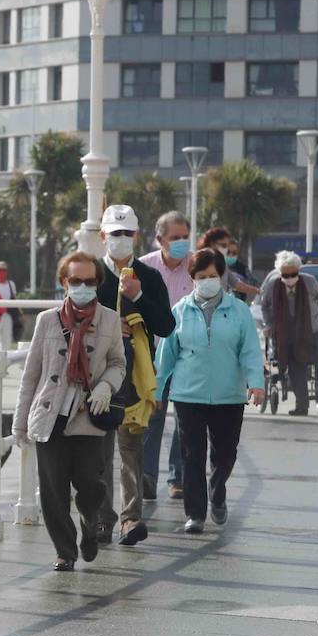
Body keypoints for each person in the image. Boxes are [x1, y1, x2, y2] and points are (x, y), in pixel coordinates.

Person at [13, 252, 126, 572]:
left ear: (98, 283)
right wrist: (19, 423)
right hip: (50, 415)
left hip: (89, 415)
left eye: (89, 281)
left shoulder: (109, 320)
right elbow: (31, 375)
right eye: (76, 281)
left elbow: (118, 363)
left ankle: (90, 523)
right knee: (53, 491)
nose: (82, 287)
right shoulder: (47, 320)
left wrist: (106, 386)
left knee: (91, 484)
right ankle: (65, 552)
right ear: (64, 282)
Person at [155, 248, 264, 534]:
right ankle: (195, 514)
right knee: (192, 455)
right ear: (192, 279)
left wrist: (256, 383)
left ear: (221, 276)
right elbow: (166, 355)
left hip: (229, 395)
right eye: (201, 276)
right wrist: (156, 389)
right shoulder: (179, 311)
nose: (207, 281)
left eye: (212, 275)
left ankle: (217, 491)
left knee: (225, 454)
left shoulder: (239, 311)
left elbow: (250, 351)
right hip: (188, 395)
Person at [95, 204, 173, 547]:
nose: (121, 239)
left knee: (131, 449)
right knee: (99, 451)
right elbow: (72, 318)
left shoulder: (149, 277)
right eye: (115, 233)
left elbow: (166, 326)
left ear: (137, 236)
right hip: (98, 376)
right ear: (103, 236)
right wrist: (111, 326)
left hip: (136, 375)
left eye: (127, 233)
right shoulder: (91, 274)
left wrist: (137, 296)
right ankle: (102, 519)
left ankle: (130, 519)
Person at [139, 211, 195, 502]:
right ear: (160, 239)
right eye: (175, 238)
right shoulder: (144, 268)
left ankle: (179, 477)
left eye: (185, 237)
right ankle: (147, 477)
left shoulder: (197, 265)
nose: (182, 242)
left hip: (189, 356)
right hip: (153, 356)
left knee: (186, 418)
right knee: (153, 415)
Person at [260, 251, 318, 416]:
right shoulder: (272, 286)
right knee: (295, 364)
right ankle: (302, 405)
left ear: (298, 271)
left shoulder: (310, 282)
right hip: (288, 333)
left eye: (293, 274)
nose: (290, 278)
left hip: (314, 328)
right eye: (286, 275)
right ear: (280, 273)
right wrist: (269, 325)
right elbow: (264, 307)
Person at [198, 228, 259, 300]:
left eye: (227, 246)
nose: (226, 249)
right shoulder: (198, 262)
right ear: (212, 243)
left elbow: (235, 284)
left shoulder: (222, 264)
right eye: (224, 245)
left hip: (220, 305)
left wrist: (257, 291)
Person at [0, 261, 19, 349]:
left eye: (4, 270)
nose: (2, 272)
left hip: (7, 314)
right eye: (0, 270)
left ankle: (5, 357)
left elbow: (14, 298)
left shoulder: (11, 284)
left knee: (7, 339)